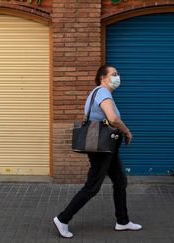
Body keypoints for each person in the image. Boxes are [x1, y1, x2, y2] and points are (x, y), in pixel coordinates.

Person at [53, 64, 142, 238]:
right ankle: (63, 218)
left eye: (118, 73)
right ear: (103, 77)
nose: (117, 77)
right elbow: (113, 118)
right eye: (114, 74)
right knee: (92, 187)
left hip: (108, 147)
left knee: (120, 181)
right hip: (101, 148)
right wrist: (127, 131)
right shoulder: (102, 92)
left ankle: (122, 221)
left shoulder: (100, 93)